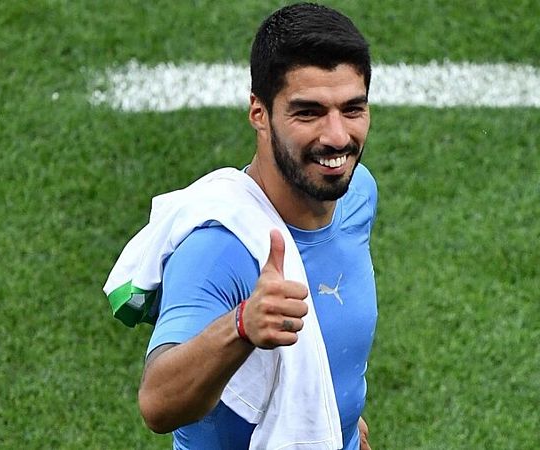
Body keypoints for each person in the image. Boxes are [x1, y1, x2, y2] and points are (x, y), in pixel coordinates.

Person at [136, 3, 377, 449]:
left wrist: (342, 424)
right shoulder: (218, 250)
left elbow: (328, 356)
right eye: (308, 112)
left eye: (352, 109)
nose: (337, 136)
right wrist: (242, 326)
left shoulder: (356, 193)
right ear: (259, 113)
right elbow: (157, 404)